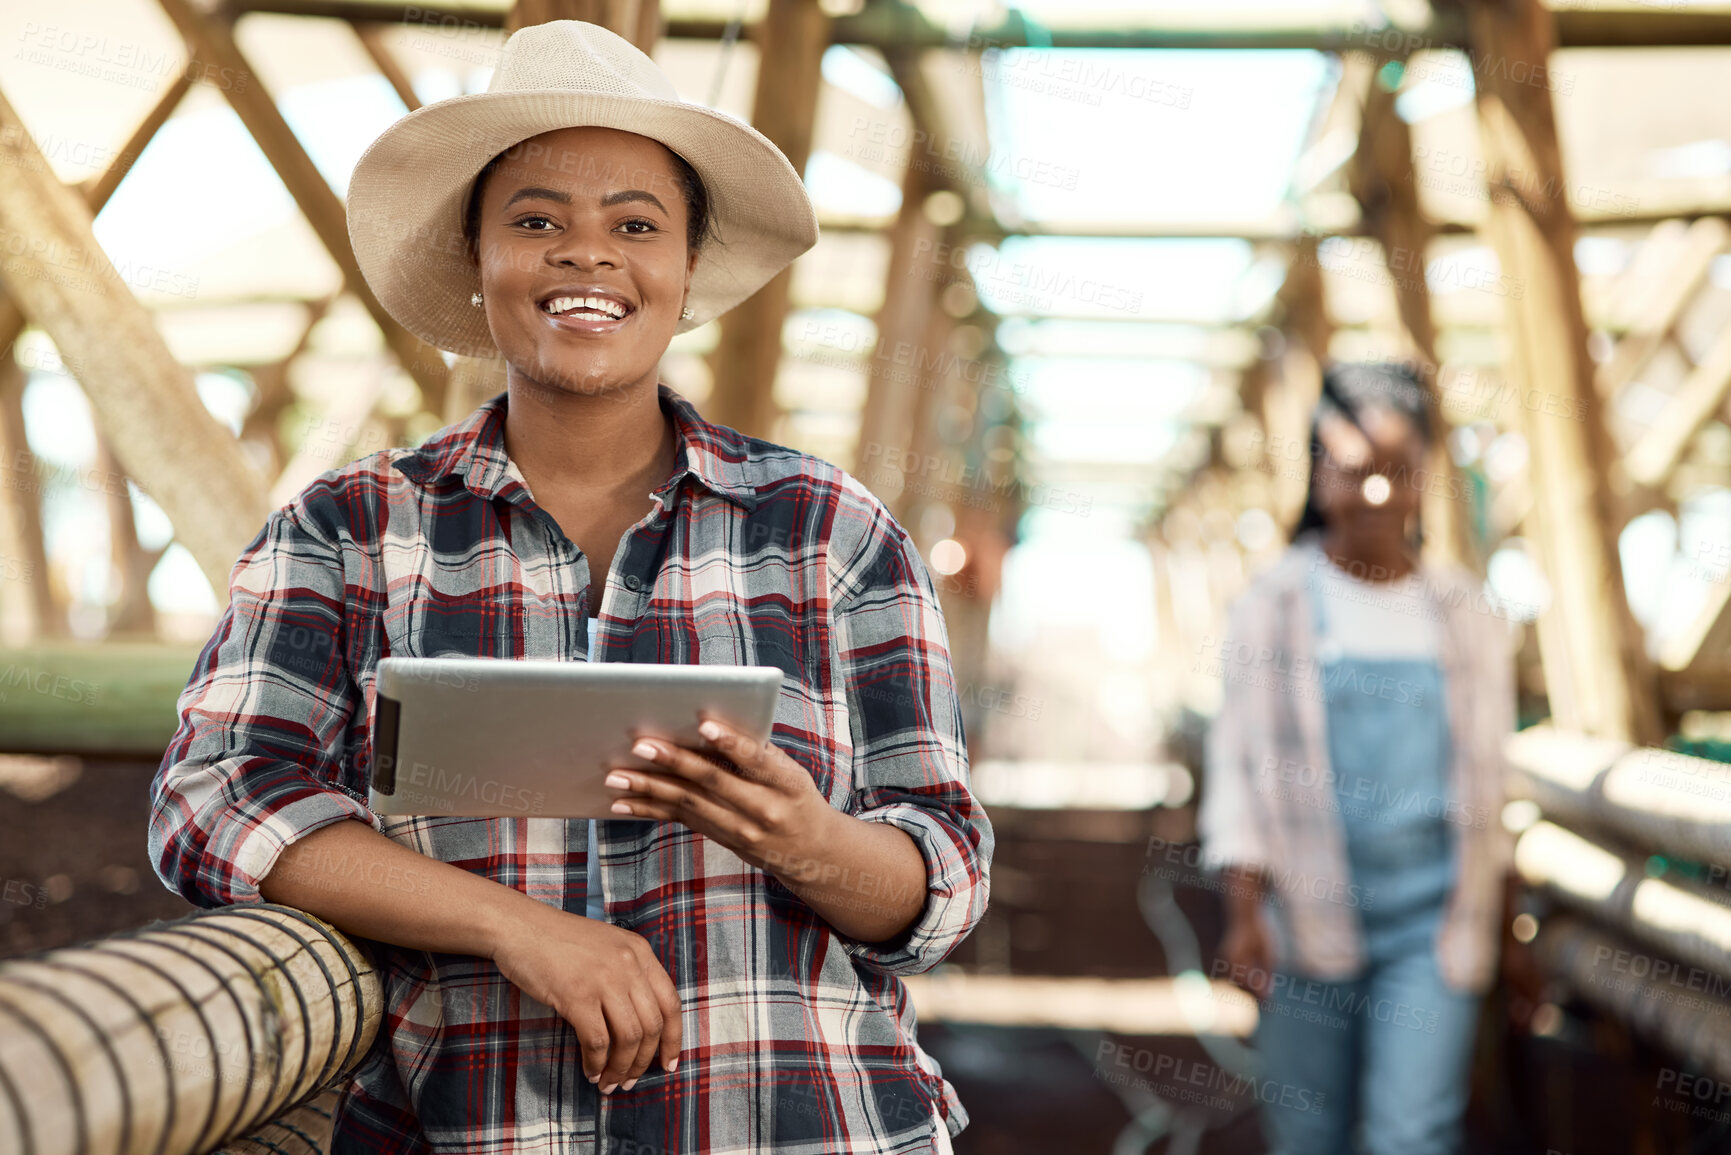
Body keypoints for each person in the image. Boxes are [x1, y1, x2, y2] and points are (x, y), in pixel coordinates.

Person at [148, 21, 991, 1154]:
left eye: (635, 225)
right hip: (481, 1130)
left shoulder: (830, 533)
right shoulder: (349, 530)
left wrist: (803, 837)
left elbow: (941, 879)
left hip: (811, 1126)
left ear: (687, 270)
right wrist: (514, 928)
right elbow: (211, 800)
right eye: (536, 220)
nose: (586, 255)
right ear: (475, 259)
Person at [1197, 362, 1514, 1155]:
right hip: (1305, 921)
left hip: (1434, 924)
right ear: (1317, 471)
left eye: (1398, 473)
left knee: (1411, 1132)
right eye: (1357, 470)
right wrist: (1242, 914)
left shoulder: (1465, 613)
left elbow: (1491, 772)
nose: (1377, 493)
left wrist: (1507, 917)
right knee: (1308, 1132)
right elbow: (1236, 767)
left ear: (1425, 479)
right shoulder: (1273, 606)